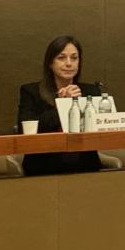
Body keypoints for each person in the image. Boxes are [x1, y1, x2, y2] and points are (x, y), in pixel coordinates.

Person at [17, 35, 102, 176]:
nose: (69, 63)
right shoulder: (31, 91)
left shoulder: (91, 92)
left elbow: (100, 129)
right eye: (61, 58)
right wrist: (63, 106)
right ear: (50, 63)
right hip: (43, 167)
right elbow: (25, 129)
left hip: (85, 166)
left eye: (74, 58)